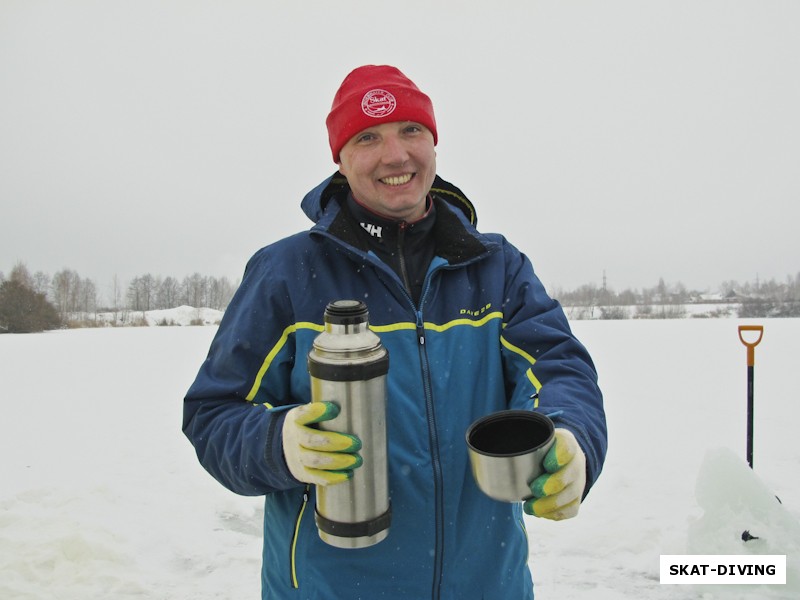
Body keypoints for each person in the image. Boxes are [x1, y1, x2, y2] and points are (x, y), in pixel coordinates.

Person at [183, 65, 607, 599]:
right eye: (368, 138)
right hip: (330, 588)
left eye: (411, 130)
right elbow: (213, 411)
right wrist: (278, 443)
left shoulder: (496, 267)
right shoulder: (286, 273)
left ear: (434, 143)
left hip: (487, 586)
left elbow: (559, 369)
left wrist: (572, 438)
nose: (395, 155)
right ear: (339, 158)